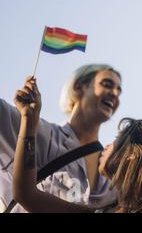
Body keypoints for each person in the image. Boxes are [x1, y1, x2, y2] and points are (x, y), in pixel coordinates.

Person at [12, 77, 142, 212]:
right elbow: (26, 194)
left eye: (116, 139)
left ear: (133, 152)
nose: (106, 145)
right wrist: (29, 121)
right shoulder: (100, 209)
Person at [0, 64, 122, 212]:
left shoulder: (112, 176)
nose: (114, 93)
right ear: (78, 87)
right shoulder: (39, 132)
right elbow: (25, 195)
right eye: (107, 84)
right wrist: (28, 120)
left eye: (118, 90)